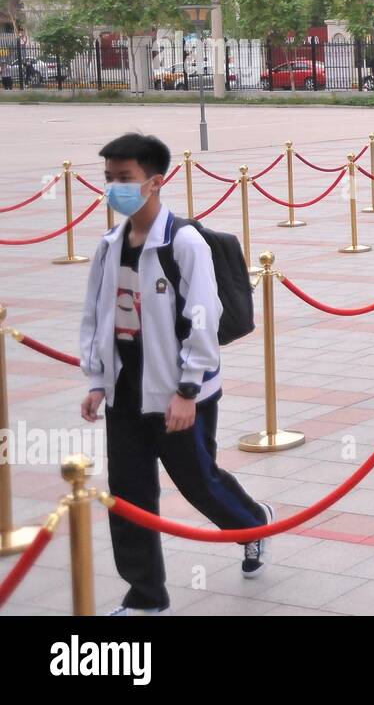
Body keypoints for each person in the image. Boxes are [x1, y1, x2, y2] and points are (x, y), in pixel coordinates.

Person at [78, 133, 271, 615]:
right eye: (109, 180)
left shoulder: (183, 242)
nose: (115, 188)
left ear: (155, 182)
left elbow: (202, 316)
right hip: (126, 385)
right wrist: (97, 380)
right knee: (129, 495)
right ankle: (145, 597)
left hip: (179, 386)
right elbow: (96, 315)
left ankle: (251, 521)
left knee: (197, 480)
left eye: (125, 179)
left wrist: (188, 389)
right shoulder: (109, 244)